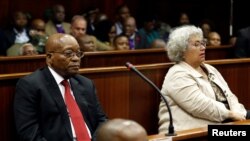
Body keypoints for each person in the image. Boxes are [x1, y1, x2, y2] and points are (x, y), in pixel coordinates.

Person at [14, 33, 108, 141]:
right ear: (49, 58)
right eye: (69, 53)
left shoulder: (86, 83)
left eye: (78, 53)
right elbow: (29, 134)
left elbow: (102, 120)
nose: (76, 58)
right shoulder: (30, 85)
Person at [158, 25, 250, 134]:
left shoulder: (209, 68)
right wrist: (231, 114)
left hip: (220, 125)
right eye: (196, 44)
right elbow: (201, 106)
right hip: (189, 133)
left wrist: (241, 114)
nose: (203, 47)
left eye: (203, 43)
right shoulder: (177, 74)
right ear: (181, 50)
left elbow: (230, 96)